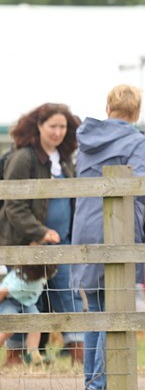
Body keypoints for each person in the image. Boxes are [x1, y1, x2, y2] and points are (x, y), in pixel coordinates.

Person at [71, 85, 145, 390]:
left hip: (85, 226)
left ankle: (92, 383)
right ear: (136, 112)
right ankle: (99, 386)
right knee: (114, 310)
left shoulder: (84, 141)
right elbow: (140, 182)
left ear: (108, 106)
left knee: (96, 310)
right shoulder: (135, 139)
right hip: (116, 228)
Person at [1, 103, 83, 366]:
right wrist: (41, 231)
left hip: (64, 242)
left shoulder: (65, 158)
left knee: (68, 293)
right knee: (20, 297)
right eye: (53, 126)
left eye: (63, 127)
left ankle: (77, 351)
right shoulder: (22, 158)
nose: (58, 132)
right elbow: (13, 205)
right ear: (39, 126)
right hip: (28, 242)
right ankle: (14, 355)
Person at [0, 264, 54, 366]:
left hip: (27, 302)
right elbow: (2, 292)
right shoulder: (19, 281)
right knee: (8, 327)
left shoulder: (44, 272)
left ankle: (33, 354)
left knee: (36, 321)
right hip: (10, 300)